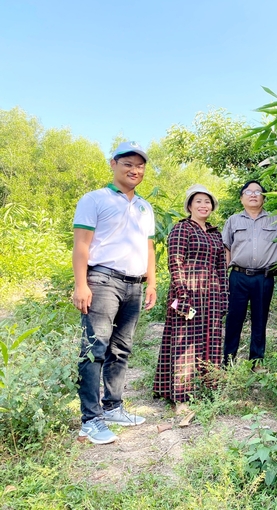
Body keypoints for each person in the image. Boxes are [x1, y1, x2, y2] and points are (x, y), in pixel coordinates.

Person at [72, 141, 156, 444]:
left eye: (140, 165)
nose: (135, 170)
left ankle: (113, 406)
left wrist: (152, 282)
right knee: (95, 349)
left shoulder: (145, 206)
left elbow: (149, 247)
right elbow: (82, 243)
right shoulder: (95, 199)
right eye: (128, 164)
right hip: (103, 281)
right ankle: (90, 420)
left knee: (121, 349)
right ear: (113, 164)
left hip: (134, 285)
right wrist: (81, 284)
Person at [153, 184, 228, 410]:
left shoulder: (216, 234)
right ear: (189, 205)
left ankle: (208, 390)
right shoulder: (181, 229)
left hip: (212, 295)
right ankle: (181, 398)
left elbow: (221, 268)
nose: (203, 205)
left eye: (207, 202)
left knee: (211, 342)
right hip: (188, 292)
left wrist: (224, 296)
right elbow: (175, 263)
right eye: (198, 201)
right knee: (184, 343)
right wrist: (182, 295)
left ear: (212, 206)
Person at [222, 180, 277, 368]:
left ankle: (257, 362)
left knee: (260, 320)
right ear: (241, 198)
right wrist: (223, 277)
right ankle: (228, 362)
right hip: (238, 277)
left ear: (264, 197)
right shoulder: (233, 220)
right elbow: (226, 248)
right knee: (233, 319)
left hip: (264, 277)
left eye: (258, 192)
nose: (253, 195)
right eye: (248, 192)